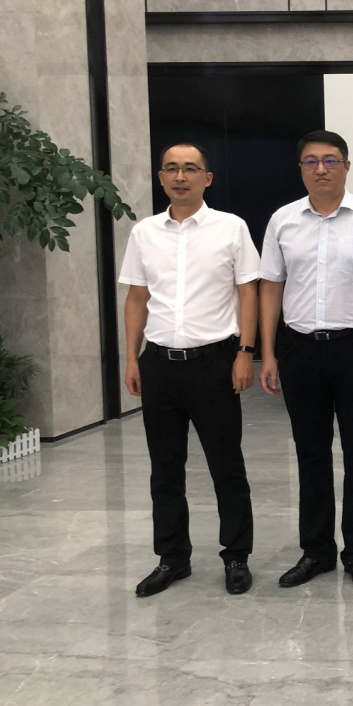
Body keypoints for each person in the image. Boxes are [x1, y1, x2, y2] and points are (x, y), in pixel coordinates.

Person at [120, 142, 260, 597]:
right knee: (165, 469)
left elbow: (248, 292)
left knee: (226, 465)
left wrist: (245, 352)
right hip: (159, 364)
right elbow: (137, 297)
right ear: (161, 178)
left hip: (214, 363)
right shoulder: (144, 232)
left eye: (190, 168)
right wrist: (131, 357)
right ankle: (172, 558)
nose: (180, 176)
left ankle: (236, 556)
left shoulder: (231, 228)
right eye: (172, 169)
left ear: (207, 178)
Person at [258, 130, 353, 590]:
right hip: (299, 349)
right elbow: (270, 286)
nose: (321, 169)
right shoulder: (282, 220)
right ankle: (316, 551)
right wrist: (267, 352)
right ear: (300, 168)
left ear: (347, 166)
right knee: (310, 452)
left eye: (331, 160)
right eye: (311, 161)